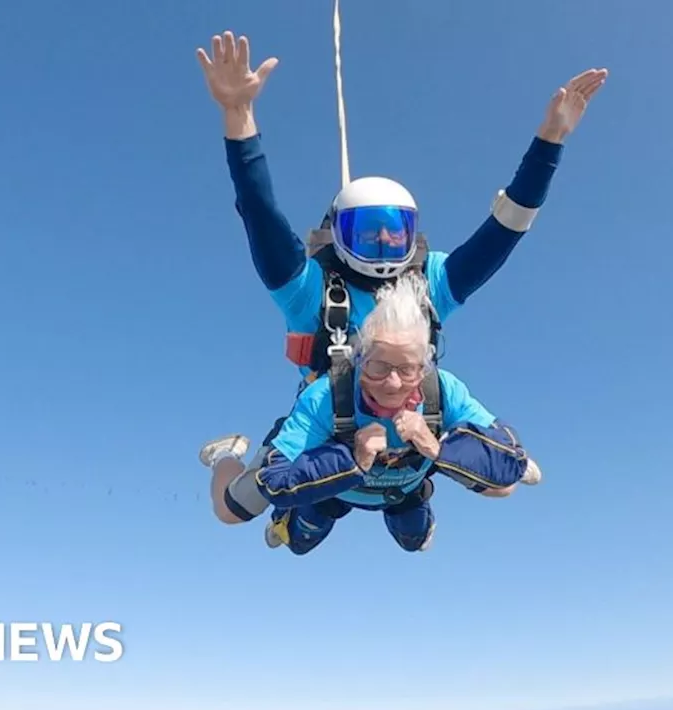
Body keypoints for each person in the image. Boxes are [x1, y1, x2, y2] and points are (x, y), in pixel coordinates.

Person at [193, 31, 602, 525]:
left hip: (410, 427)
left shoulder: (430, 283)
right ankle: (226, 454)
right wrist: (238, 118)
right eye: (367, 232)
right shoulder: (312, 291)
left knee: (494, 494)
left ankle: (416, 490)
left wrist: (550, 141)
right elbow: (260, 217)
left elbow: (507, 229)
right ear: (338, 233)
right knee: (233, 511)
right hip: (330, 428)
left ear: (414, 234)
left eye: (396, 232)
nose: (385, 244)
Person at [220, 272, 540, 553]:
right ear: (359, 358)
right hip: (334, 488)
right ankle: (225, 457)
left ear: (426, 366)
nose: (392, 383)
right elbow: (273, 480)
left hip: (402, 490)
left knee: (486, 497)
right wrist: (351, 457)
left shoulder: (443, 390)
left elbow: (511, 462)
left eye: (408, 369)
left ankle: (432, 488)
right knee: (255, 521)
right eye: (377, 366)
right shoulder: (327, 395)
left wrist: (436, 448)